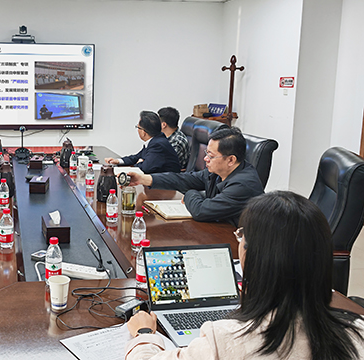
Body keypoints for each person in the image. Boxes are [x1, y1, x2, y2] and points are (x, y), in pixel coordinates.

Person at [125, 191, 364, 360]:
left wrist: (144, 334)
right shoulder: (358, 333)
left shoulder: (226, 340)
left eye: (241, 236)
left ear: (252, 256)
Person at [128, 125, 263, 224]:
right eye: (206, 153)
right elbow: (184, 179)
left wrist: (190, 193)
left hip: (238, 243)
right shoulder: (218, 171)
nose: (205, 159)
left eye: (211, 156)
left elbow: (201, 211)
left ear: (231, 160)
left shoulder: (243, 184)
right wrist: (143, 179)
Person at [105, 111, 180, 174]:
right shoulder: (155, 140)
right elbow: (137, 157)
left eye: (138, 127)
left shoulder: (158, 145)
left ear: (144, 132)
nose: (137, 130)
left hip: (167, 184)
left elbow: (145, 168)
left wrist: (138, 163)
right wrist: (118, 161)